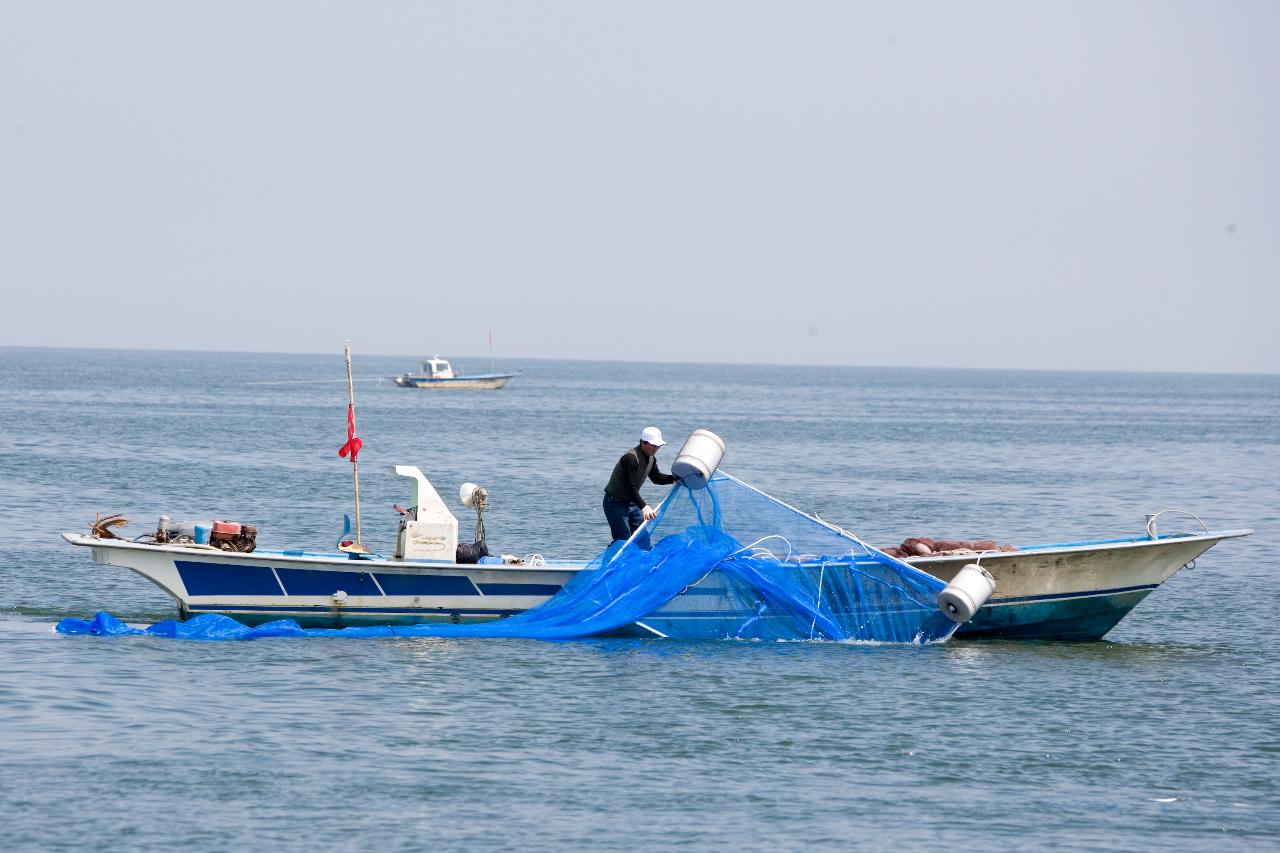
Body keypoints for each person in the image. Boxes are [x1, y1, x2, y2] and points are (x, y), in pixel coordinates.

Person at [603, 426, 678, 547]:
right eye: (653, 445)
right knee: (623, 541)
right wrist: (644, 507)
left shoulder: (651, 459)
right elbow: (629, 487)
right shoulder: (630, 458)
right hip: (615, 503)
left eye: (658, 446)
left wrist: (676, 479)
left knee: (643, 541)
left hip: (632, 503)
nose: (656, 448)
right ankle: (611, 563)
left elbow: (656, 478)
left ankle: (642, 564)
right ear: (644, 443)